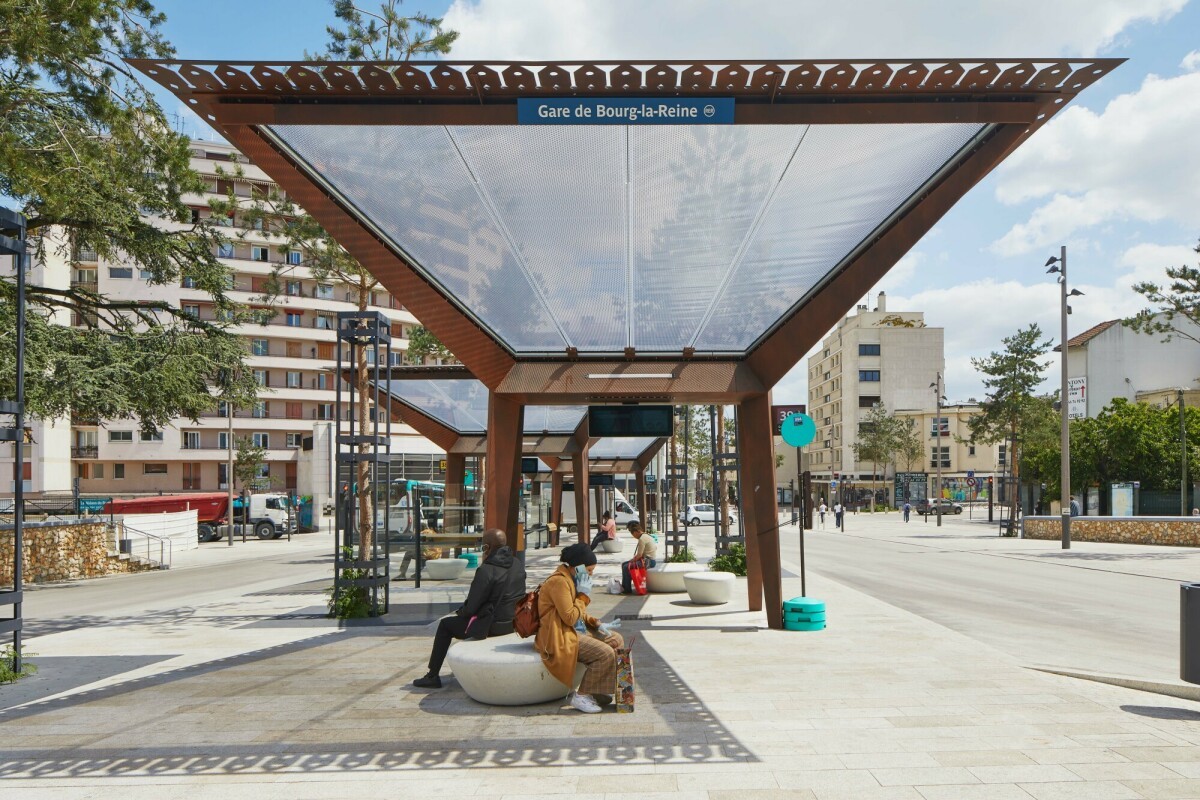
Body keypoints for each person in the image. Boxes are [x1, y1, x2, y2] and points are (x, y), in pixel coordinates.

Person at [412, 528, 526, 689]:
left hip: (491, 626)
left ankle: (432, 675)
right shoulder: (517, 564)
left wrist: (461, 612)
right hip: (513, 622)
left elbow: (471, 607)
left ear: (486, 547)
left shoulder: (486, 570)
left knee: (445, 625)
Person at [535, 542, 624, 713]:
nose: (591, 574)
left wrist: (596, 623)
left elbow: (578, 613)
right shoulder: (559, 582)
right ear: (578, 567)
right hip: (559, 636)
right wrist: (582, 596)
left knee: (616, 640)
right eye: (589, 570)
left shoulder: (571, 579)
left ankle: (598, 690)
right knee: (605, 653)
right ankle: (582, 696)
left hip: (573, 631)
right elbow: (569, 618)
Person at [621, 521, 658, 593]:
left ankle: (627, 589)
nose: (633, 536)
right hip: (651, 560)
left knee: (626, 567)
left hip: (648, 561)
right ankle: (625, 587)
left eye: (633, 534)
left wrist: (632, 560)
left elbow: (639, 555)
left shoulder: (642, 539)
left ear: (636, 532)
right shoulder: (646, 535)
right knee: (624, 564)